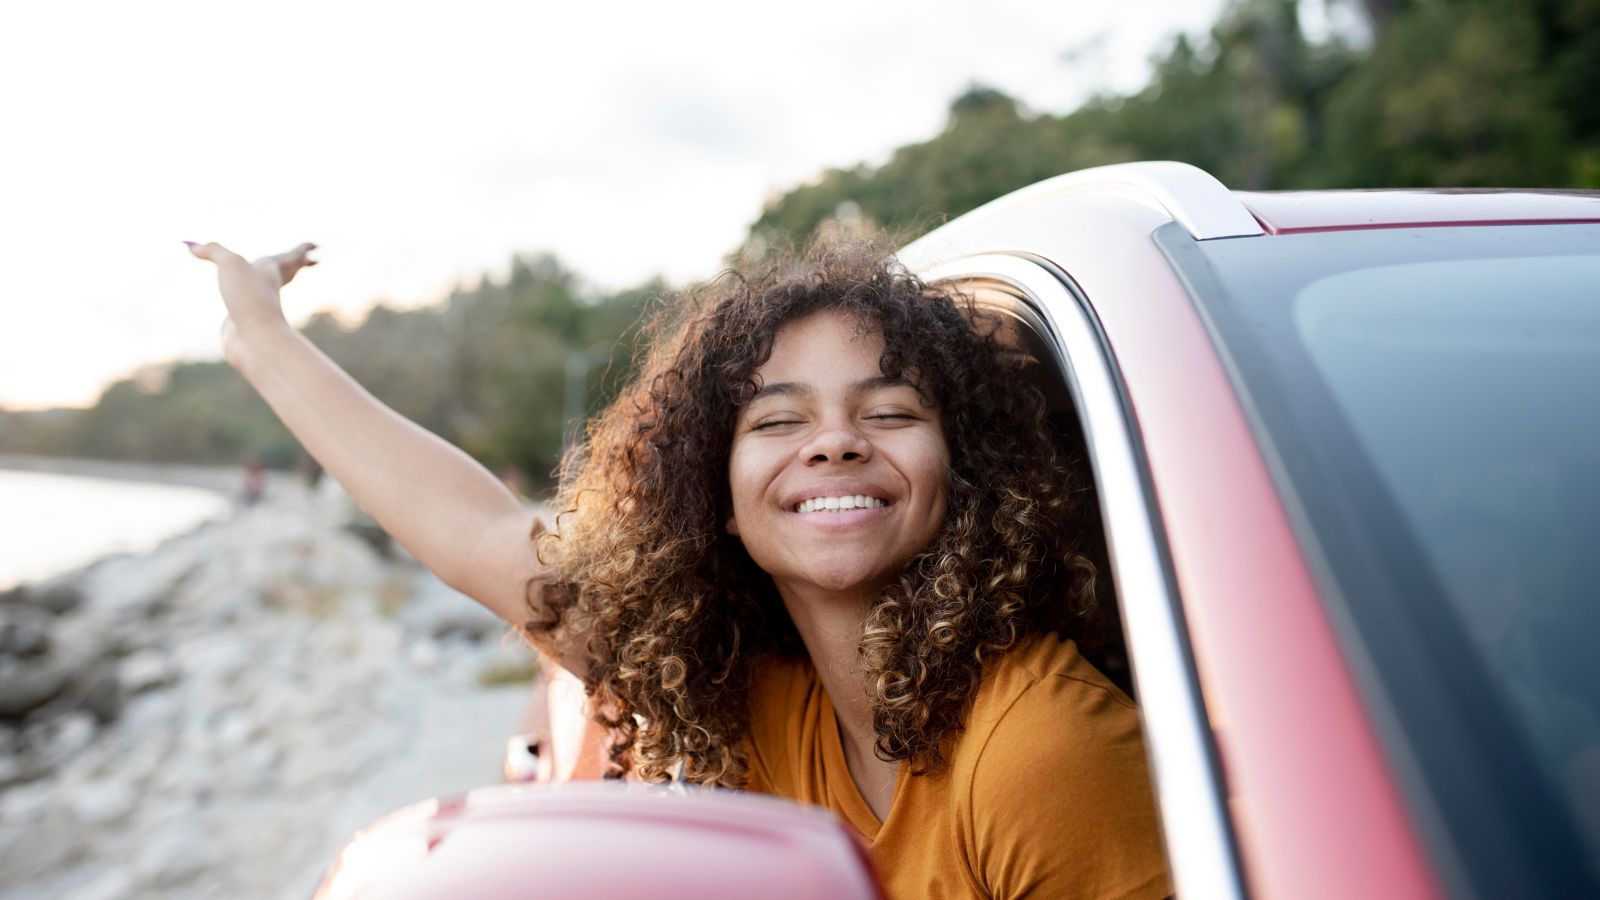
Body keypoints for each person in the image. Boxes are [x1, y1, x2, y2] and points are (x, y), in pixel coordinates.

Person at [187, 235, 1172, 899]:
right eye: (778, 420)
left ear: (965, 472)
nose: (831, 444)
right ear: (716, 494)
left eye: (889, 413)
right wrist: (263, 339)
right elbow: (479, 534)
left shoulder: (1047, 755)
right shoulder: (749, 695)